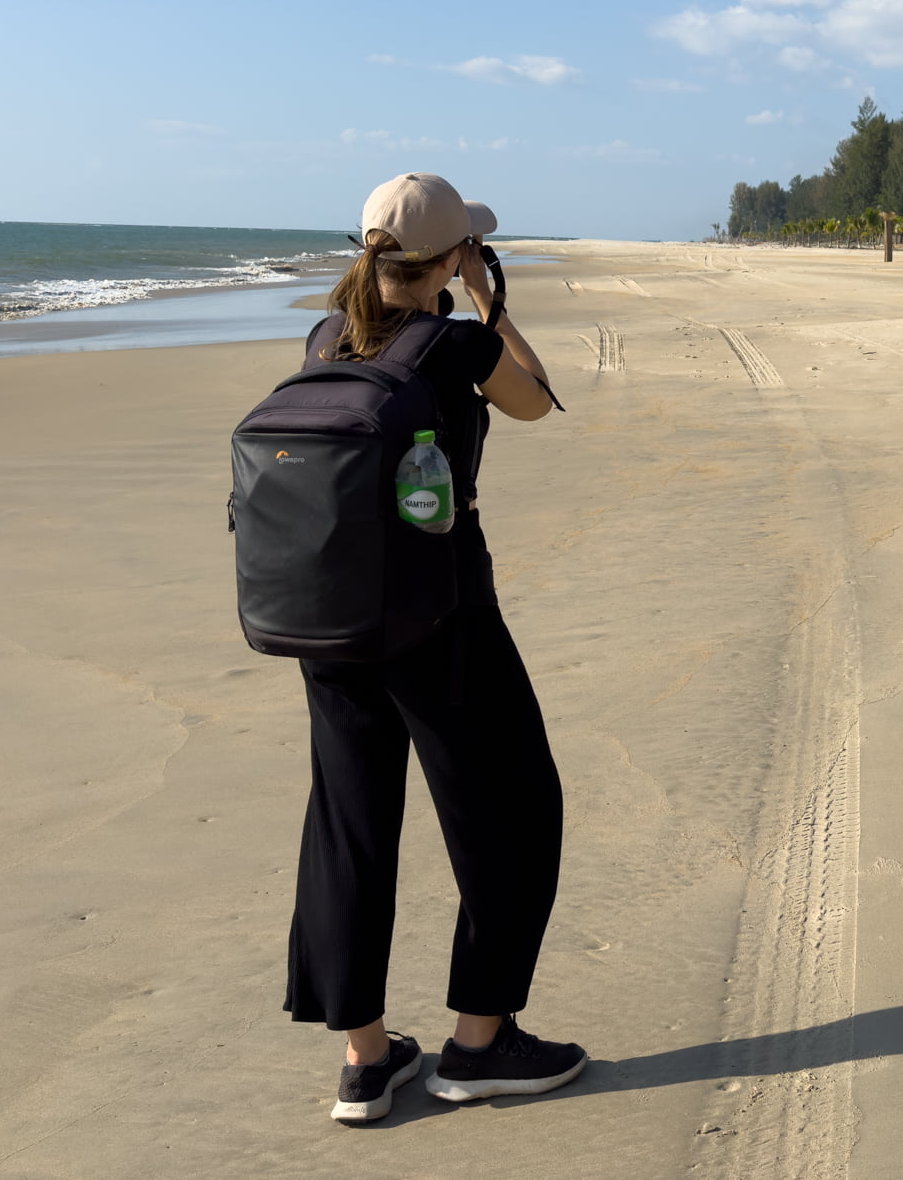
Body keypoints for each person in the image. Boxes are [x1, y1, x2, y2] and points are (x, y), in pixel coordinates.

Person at [287, 172, 585, 1124]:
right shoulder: (459, 345)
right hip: (441, 618)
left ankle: (366, 1060)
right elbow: (538, 399)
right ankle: (480, 1042)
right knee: (513, 805)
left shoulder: (322, 341)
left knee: (350, 824)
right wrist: (492, 302)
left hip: (332, 620)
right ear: (454, 257)